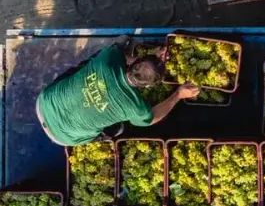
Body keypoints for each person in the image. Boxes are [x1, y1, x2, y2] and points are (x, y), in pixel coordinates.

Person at [35, 41, 200, 146]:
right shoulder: (135, 108)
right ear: (149, 86)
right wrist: (178, 95)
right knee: (115, 129)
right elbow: (152, 118)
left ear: (135, 61)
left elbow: (122, 55)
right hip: (64, 138)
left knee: (86, 66)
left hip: (45, 102)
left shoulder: (108, 59)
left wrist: (152, 58)